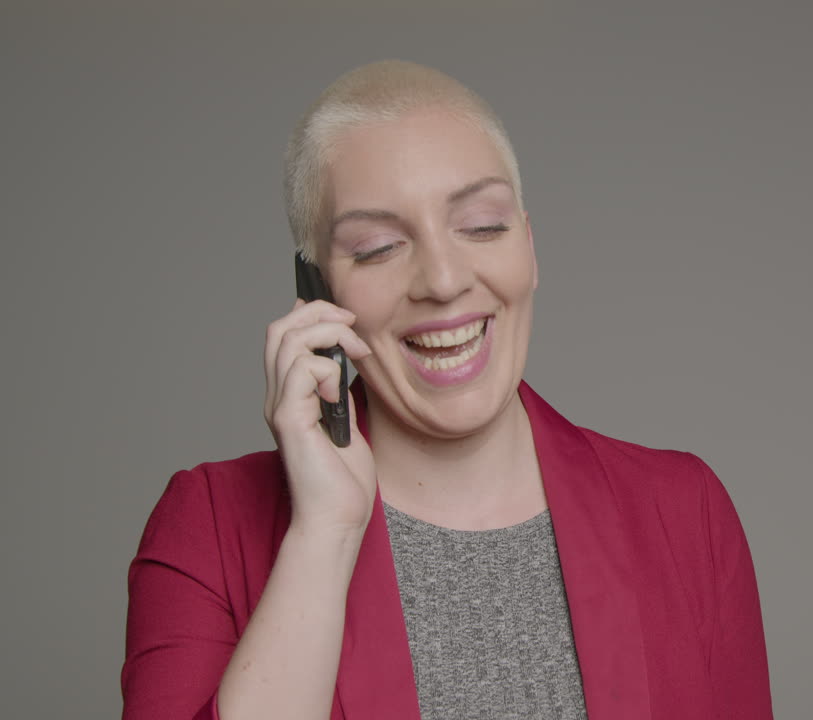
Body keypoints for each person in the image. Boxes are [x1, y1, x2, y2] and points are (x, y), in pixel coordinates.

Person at [121, 60, 771, 720]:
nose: (442, 279)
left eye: (483, 225)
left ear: (530, 248)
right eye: (376, 247)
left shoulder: (687, 513)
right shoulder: (204, 525)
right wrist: (324, 535)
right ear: (316, 294)